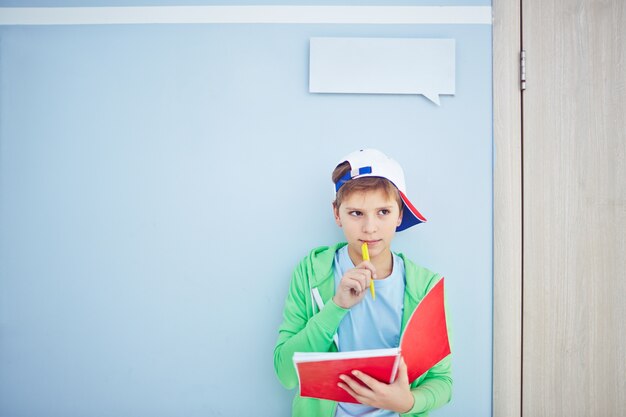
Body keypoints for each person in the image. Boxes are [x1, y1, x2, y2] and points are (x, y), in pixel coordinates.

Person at [273, 149, 452, 417]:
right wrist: (337, 306)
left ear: (399, 214)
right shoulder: (311, 273)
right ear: (337, 214)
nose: (370, 228)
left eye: (383, 212)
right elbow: (286, 373)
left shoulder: (425, 286)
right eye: (356, 213)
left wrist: (408, 403)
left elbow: (443, 381)